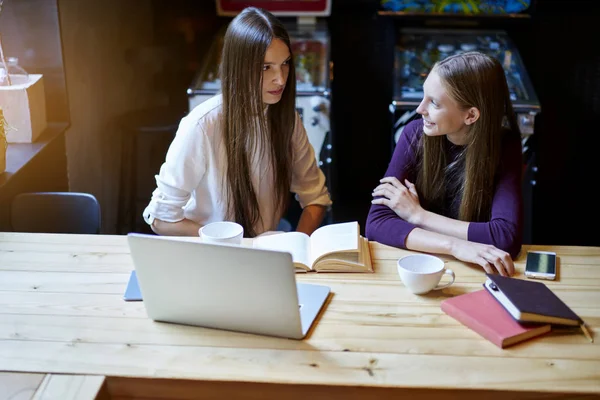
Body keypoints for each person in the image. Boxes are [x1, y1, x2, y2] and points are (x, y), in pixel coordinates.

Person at [143, 7, 331, 238]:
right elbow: (161, 219)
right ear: (239, 68)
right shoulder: (202, 125)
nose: (280, 78)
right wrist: (231, 243)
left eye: (285, 63)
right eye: (266, 67)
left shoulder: (287, 119)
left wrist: (298, 249)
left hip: (261, 254)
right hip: (207, 256)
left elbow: (316, 199)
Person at [366, 51, 523, 276]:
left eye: (434, 103)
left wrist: (419, 217)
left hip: (476, 272)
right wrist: (456, 246)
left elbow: (506, 237)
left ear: (471, 115)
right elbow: (377, 223)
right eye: (424, 96)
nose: (420, 109)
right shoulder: (415, 134)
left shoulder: (505, 146)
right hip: (420, 266)